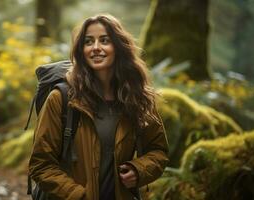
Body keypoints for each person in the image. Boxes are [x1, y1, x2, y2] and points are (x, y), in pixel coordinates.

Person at [29, 14, 169, 200]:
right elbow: (41, 164)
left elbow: (158, 150)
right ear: (81, 50)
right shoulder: (61, 98)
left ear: (119, 47)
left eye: (104, 40)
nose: (96, 48)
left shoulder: (136, 98)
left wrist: (139, 170)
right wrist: (77, 195)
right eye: (88, 42)